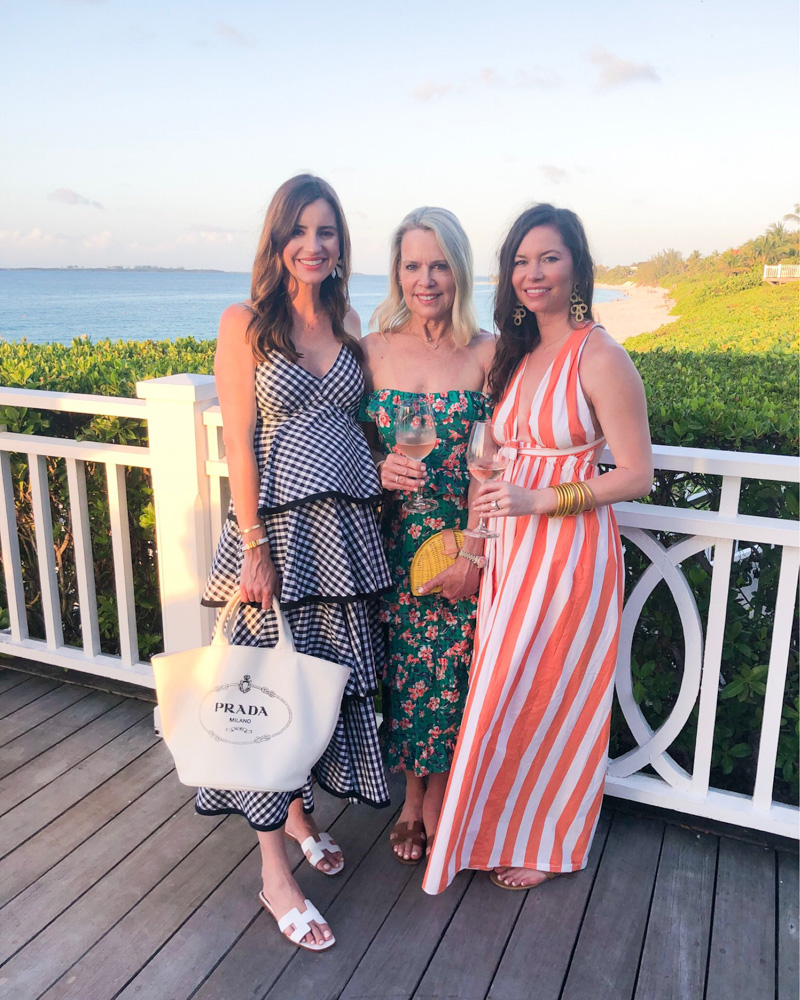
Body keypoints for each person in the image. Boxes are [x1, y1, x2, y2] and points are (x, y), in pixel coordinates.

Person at [423, 204, 653, 894]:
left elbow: (637, 473)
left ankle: (553, 843)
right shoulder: (517, 353)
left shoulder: (601, 354)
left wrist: (543, 499)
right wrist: (481, 541)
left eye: (548, 258)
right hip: (512, 554)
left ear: (577, 265)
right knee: (507, 692)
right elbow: (491, 461)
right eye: (520, 262)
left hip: (570, 555)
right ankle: (493, 829)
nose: (533, 273)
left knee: (558, 693)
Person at [198, 175, 392, 950]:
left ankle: (303, 813)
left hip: (343, 538)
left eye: (328, 231)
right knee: (264, 701)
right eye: (300, 231)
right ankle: (275, 873)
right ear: (277, 242)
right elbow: (239, 440)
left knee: (316, 687)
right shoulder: (245, 322)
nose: (315, 245)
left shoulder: (348, 321)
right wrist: (253, 544)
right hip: (276, 538)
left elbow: (366, 426)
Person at [361, 207, 495, 864]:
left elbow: (498, 458)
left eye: (439, 264)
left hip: (455, 541)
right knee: (406, 672)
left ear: (460, 271)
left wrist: (475, 548)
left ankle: (437, 795)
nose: (426, 279)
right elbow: (344, 445)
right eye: (412, 265)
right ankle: (412, 798)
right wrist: (376, 467)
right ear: (397, 273)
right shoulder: (375, 349)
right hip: (390, 537)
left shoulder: (487, 352)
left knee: (452, 669)